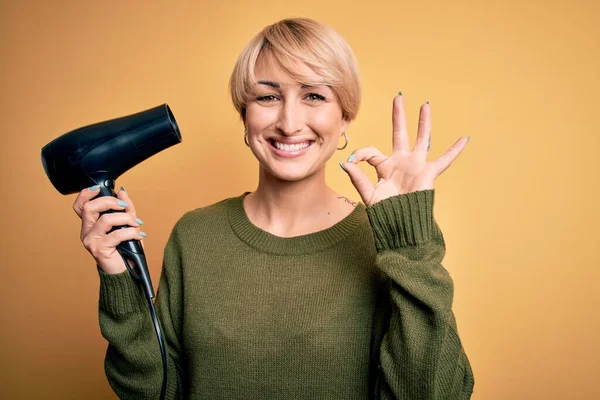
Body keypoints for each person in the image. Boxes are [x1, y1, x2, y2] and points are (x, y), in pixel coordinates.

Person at [72, 17, 474, 399]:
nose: (289, 122)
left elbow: (434, 394)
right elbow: (155, 392)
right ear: (244, 117)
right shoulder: (195, 236)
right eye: (268, 97)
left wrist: (409, 244)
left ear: (345, 118)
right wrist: (117, 277)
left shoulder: (384, 245)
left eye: (314, 96)